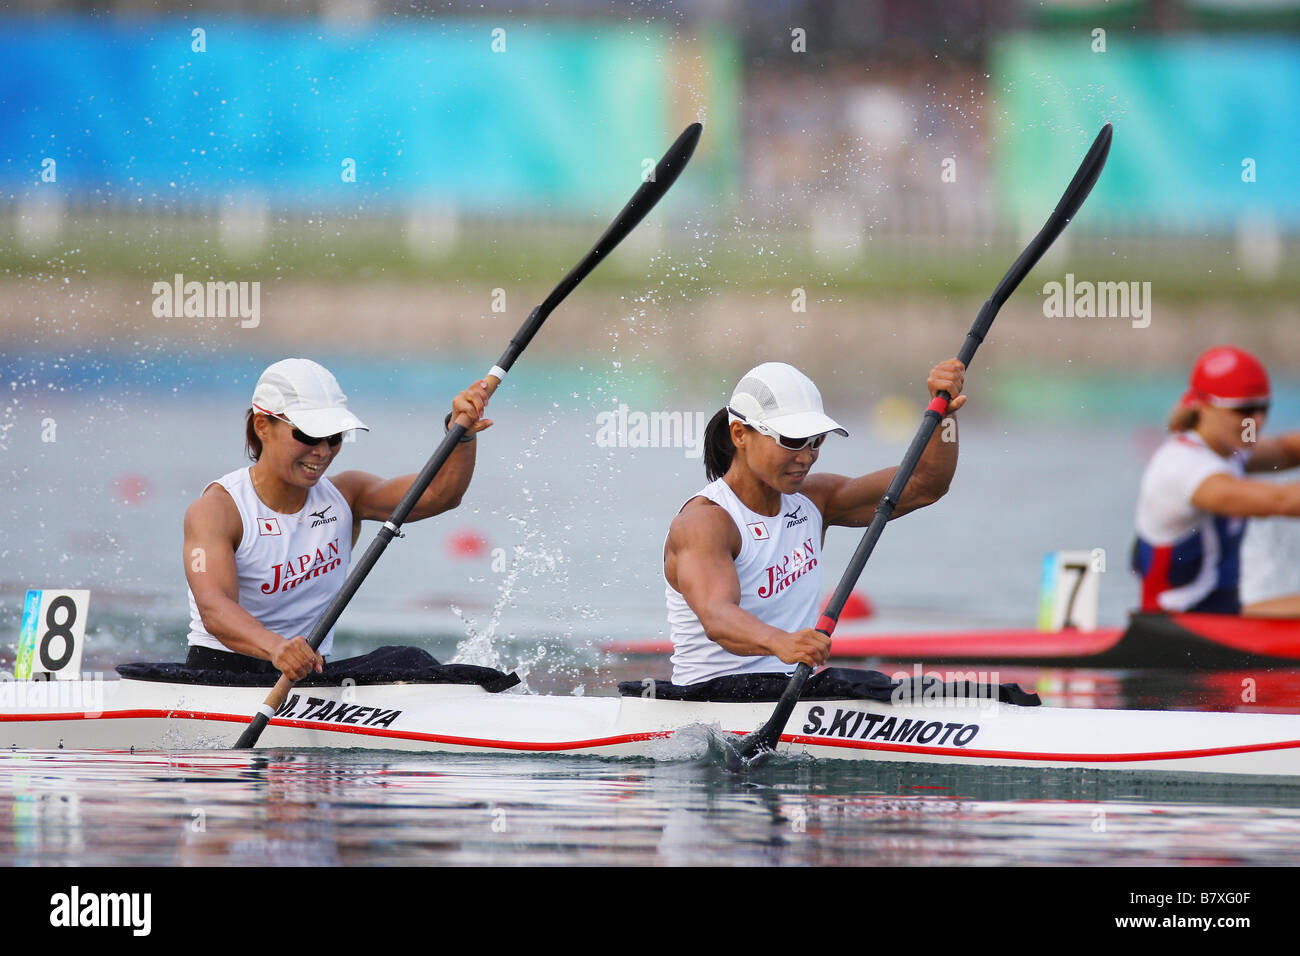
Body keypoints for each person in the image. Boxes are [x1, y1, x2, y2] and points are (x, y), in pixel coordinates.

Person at [184, 358, 492, 680]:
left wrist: (462, 435)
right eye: (307, 436)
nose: (323, 451)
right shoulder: (217, 510)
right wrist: (278, 648)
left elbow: (440, 495)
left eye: (334, 438)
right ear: (263, 426)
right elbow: (214, 609)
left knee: (411, 660)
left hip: (304, 673)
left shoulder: (347, 495)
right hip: (222, 672)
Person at [663, 359, 965, 686]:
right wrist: (782, 641)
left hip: (793, 692)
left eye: (816, 441)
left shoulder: (816, 500)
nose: (806, 456)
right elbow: (717, 617)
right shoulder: (705, 522)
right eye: (792, 441)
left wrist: (944, 416)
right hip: (711, 699)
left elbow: (925, 484)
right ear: (740, 434)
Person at [1133, 345, 1300, 617]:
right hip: (1175, 630)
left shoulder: (1227, 453)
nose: (1256, 421)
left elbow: (1289, 450)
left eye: (1263, 408)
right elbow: (1279, 501)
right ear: (1204, 407)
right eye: (1244, 410)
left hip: (1225, 618)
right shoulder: (1182, 466)